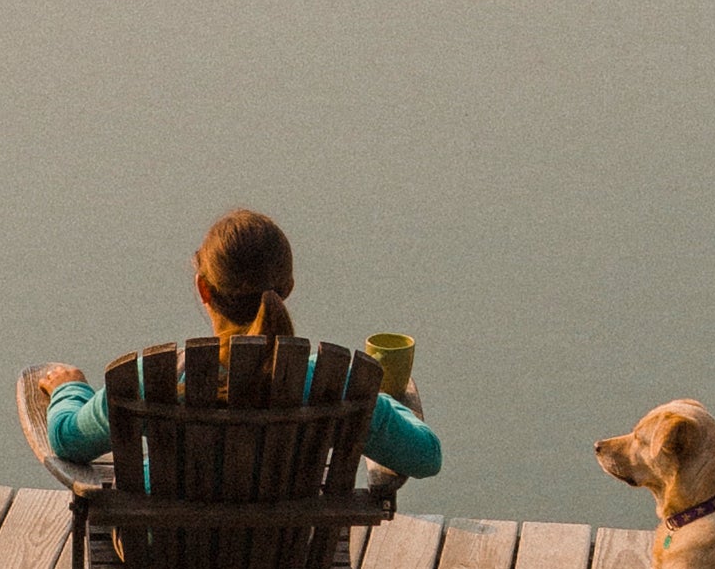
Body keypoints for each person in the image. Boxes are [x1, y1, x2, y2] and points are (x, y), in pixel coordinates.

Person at [31, 205, 440, 479]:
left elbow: (67, 439)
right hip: (288, 561)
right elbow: (425, 457)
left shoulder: (152, 378)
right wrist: (379, 399)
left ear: (202, 288)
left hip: (164, 557)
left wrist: (69, 387)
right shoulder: (331, 383)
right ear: (289, 289)